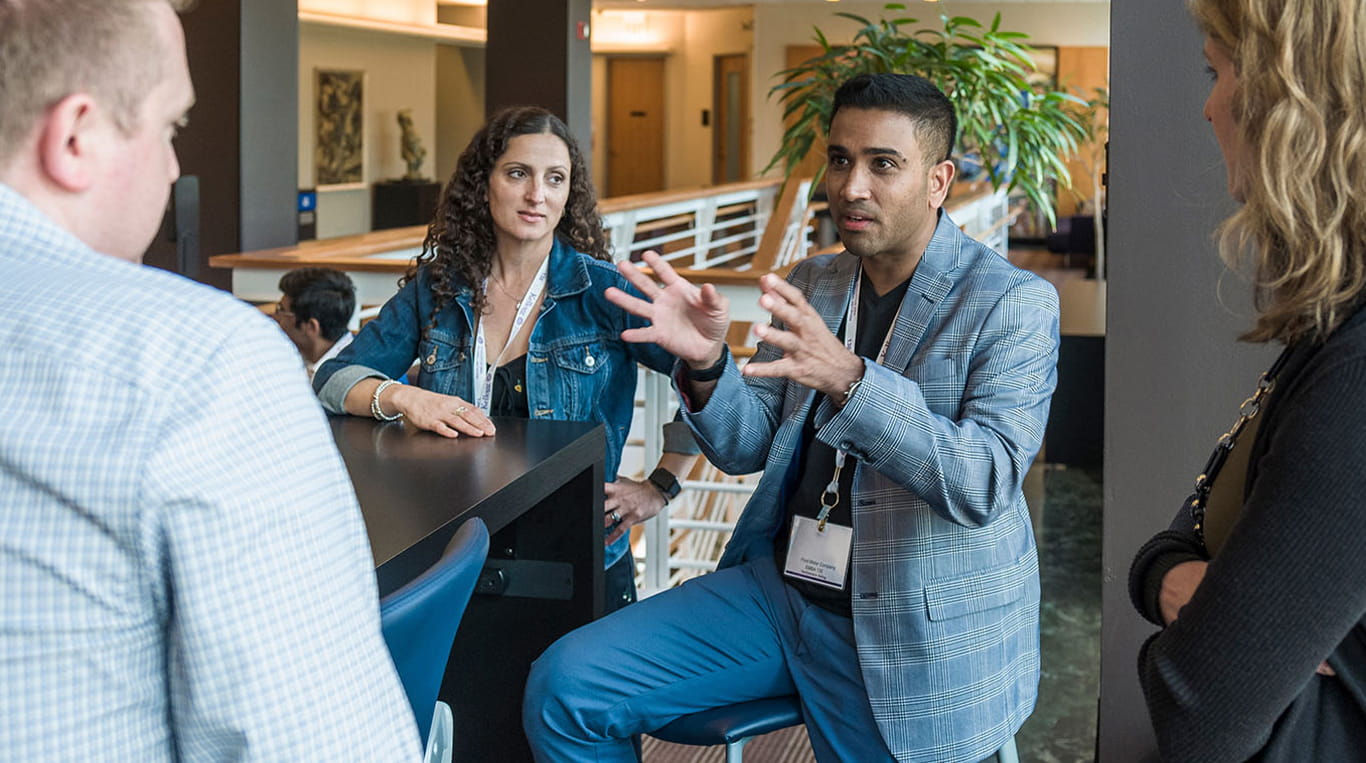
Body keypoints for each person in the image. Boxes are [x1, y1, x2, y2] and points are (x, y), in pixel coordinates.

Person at [524, 73, 1060, 762]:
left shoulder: (1010, 302)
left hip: (909, 632)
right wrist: (710, 364)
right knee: (565, 687)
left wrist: (851, 379)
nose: (852, 185)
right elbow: (750, 446)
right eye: (840, 159)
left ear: (939, 180)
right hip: (784, 596)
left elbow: (985, 480)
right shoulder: (817, 281)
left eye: (883, 164)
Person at [0, 0, 421, 759]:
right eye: (169, 128)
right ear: (75, 136)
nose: (171, 167)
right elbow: (313, 742)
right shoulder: (193, 355)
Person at [314, 105, 698, 613]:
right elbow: (333, 377)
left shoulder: (601, 291)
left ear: (568, 194)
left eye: (554, 179)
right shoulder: (438, 289)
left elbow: (704, 376)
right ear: (484, 184)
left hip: (579, 558)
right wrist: (405, 397)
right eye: (518, 174)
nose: (537, 195)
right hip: (456, 556)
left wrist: (661, 485)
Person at [1127, 1, 1366, 760]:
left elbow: (1196, 703)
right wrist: (1177, 583)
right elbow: (1186, 528)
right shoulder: (1328, 328)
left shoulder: (1357, 369)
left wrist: (1189, 642)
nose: (1206, 104)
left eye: (1216, 69)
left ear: (1288, 96)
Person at [275, 266, 357, 381]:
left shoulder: (349, 378)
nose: (276, 319)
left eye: (281, 310)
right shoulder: (287, 355)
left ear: (311, 326)